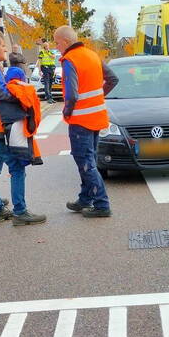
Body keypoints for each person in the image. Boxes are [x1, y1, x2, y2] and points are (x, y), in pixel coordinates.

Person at [0, 27, 47, 225]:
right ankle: (20, 211)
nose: (4, 50)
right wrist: (20, 97)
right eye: (2, 46)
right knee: (17, 167)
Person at [53, 25, 119, 218]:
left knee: (85, 163)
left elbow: (72, 95)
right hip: (97, 117)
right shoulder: (92, 55)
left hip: (81, 120)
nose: (56, 47)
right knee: (89, 160)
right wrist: (98, 98)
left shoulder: (69, 60)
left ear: (65, 42)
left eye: (57, 43)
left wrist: (67, 112)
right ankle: (85, 199)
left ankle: (102, 204)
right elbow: (113, 79)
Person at [36, 39, 57, 103]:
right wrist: (39, 70)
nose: (48, 47)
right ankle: (48, 98)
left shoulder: (50, 52)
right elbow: (39, 61)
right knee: (47, 83)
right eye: (46, 46)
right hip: (45, 68)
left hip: (51, 68)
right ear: (44, 46)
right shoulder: (42, 52)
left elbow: (53, 57)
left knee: (50, 83)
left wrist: (48, 52)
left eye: (48, 46)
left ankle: (50, 97)